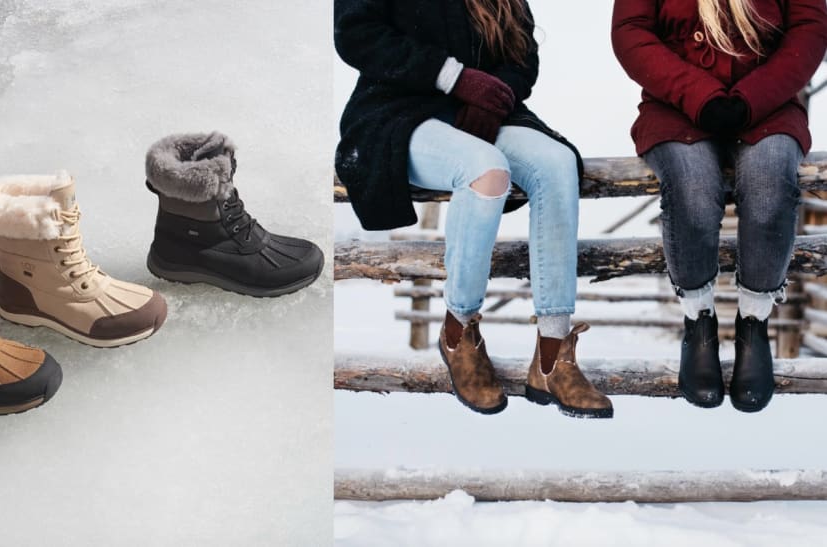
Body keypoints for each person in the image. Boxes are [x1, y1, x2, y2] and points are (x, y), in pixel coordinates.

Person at [335, 0, 613, 418]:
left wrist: (491, 99)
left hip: (482, 115)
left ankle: (552, 357)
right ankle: (458, 331)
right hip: (398, 114)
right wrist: (454, 78)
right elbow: (356, 35)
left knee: (556, 165)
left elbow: (523, 59)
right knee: (485, 169)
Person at [612, 0, 827, 412]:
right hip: (675, 103)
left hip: (769, 104)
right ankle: (698, 321)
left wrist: (750, 98)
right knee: (691, 188)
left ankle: (754, 322)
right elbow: (631, 31)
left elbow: (809, 30)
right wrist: (700, 96)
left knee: (770, 186)